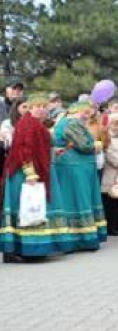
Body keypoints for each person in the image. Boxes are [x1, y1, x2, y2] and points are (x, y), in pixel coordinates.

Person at [0, 93, 69, 261]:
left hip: (32, 170)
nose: (41, 109)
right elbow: (25, 149)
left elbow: (39, 147)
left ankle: (24, 250)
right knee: (27, 209)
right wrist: (30, 172)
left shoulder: (36, 124)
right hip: (24, 173)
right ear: (30, 108)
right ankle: (28, 250)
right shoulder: (28, 123)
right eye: (37, 106)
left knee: (29, 210)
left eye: (44, 106)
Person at [52, 100, 107, 251]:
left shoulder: (68, 122)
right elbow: (84, 145)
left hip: (75, 167)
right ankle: (80, 239)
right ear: (76, 111)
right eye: (85, 112)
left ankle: (78, 237)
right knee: (77, 200)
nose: (87, 115)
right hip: (74, 167)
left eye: (89, 113)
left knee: (74, 200)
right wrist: (97, 145)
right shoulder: (72, 123)